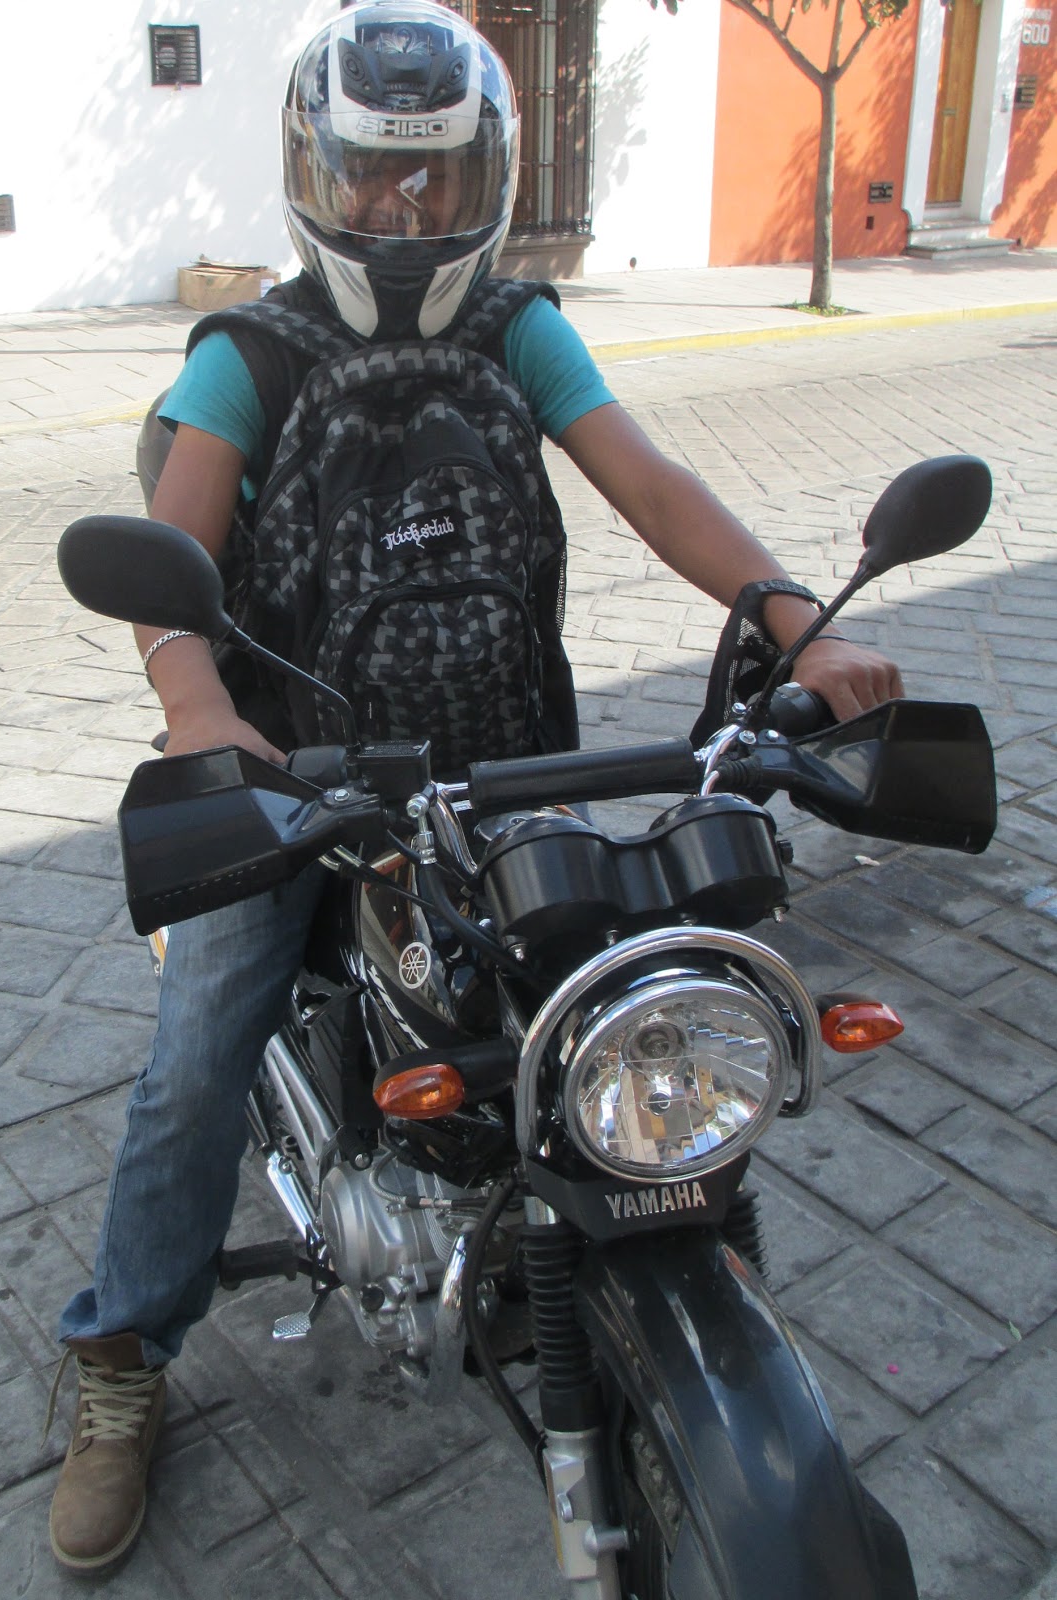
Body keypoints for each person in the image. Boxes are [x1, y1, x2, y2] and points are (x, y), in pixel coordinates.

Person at [48, 0, 903, 1574]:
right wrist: (197, 711)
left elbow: (648, 481)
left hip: (503, 756)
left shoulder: (517, 329)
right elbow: (173, 553)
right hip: (299, 775)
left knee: (609, 995)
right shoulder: (250, 352)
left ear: (483, 180)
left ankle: (664, 1288)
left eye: (434, 176)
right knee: (196, 1057)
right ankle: (122, 1353)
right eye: (375, 174)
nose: (404, 206)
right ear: (317, 177)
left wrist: (797, 620)